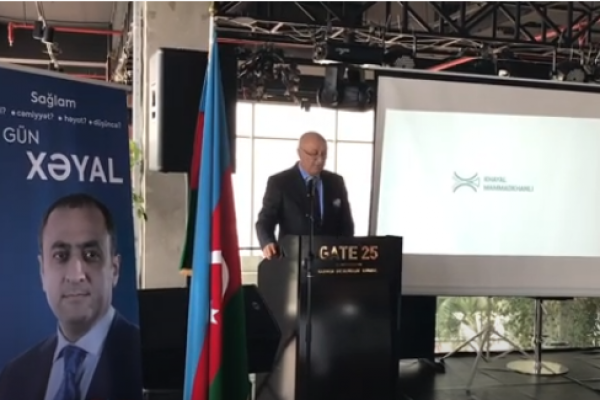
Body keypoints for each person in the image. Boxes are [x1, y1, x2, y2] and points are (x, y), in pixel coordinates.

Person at [0, 193, 143, 400]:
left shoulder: (147, 360)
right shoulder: (14, 376)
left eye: (91, 255)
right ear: (42, 271)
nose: (76, 276)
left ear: (114, 269)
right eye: (60, 256)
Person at [256, 131, 355, 258]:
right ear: (299, 153)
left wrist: (345, 254)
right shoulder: (280, 183)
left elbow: (346, 224)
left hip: (330, 260)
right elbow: (265, 221)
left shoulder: (336, 182)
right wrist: (267, 242)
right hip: (292, 259)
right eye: (314, 154)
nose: (320, 160)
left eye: (324, 154)